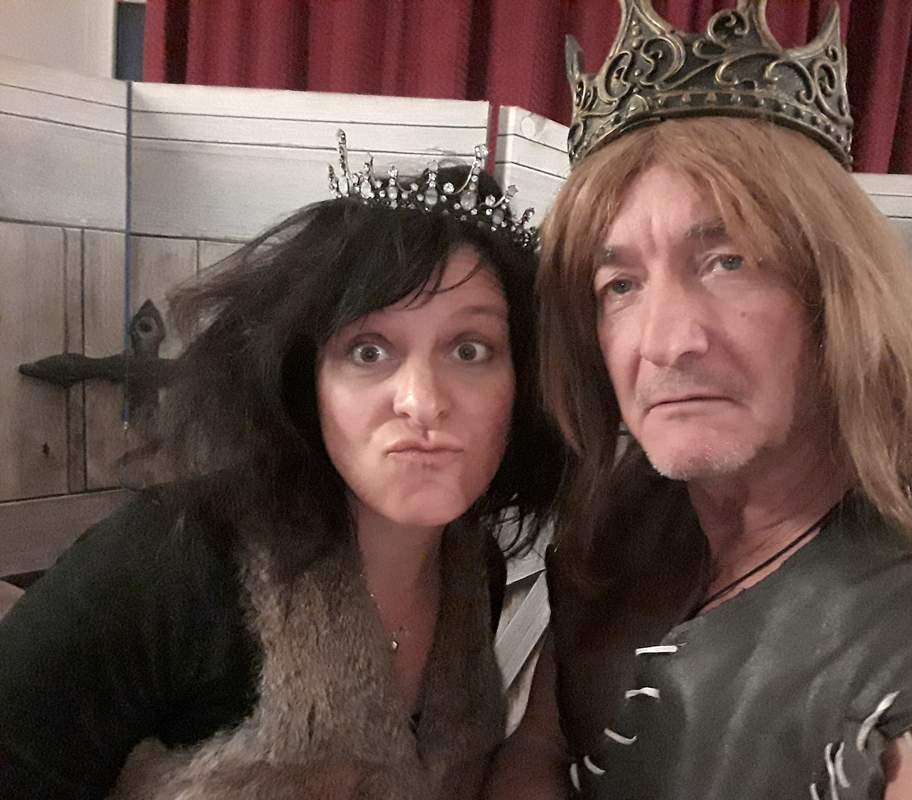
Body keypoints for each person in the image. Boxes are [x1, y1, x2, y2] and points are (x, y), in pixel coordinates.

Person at [487, 1, 912, 798]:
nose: (665, 341)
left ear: (840, 300)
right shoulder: (626, 523)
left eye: (727, 263)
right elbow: (544, 745)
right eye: (618, 284)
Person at [0, 135, 561, 799]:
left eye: (470, 350)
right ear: (306, 378)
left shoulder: (473, 569)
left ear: (523, 382)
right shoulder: (169, 563)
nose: (422, 401)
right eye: (369, 351)